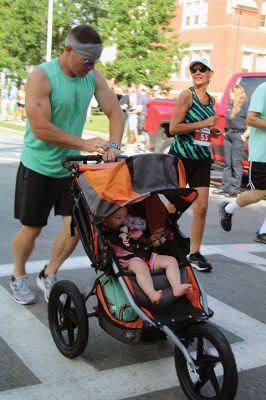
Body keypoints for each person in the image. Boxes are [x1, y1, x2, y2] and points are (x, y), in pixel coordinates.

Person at [10, 25, 124, 305]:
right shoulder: (42, 77)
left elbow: (116, 112)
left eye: (95, 62)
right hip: (38, 166)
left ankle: (48, 274)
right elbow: (41, 129)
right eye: (87, 61)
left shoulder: (92, 76)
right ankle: (18, 275)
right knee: (32, 229)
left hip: (70, 168)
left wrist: (114, 146)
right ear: (68, 50)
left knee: (76, 227)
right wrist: (86, 144)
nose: (91, 67)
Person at [169, 57, 221, 272]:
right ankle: (162, 241)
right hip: (181, 158)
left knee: (202, 207)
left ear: (210, 73)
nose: (197, 72)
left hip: (201, 158)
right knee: (174, 206)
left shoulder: (211, 99)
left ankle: (195, 252)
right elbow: (173, 128)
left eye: (202, 69)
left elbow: (201, 130)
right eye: (193, 69)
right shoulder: (186, 95)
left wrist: (211, 131)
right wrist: (204, 124)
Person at [106, 207, 192, 304]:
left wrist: (149, 240)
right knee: (141, 268)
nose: (123, 220)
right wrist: (116, 261)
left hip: (146, 255)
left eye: (125, 216)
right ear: (106, 221)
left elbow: (140, 242)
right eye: (118, 218)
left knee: (171, 260)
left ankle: (176, 287)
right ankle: (151, 293)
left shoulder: (132, 229)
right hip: (130, 260)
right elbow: (108, 253)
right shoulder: (109, 236)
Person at [219, 81, 266, 244]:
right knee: (258, 193)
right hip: (263, 155)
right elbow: (251, 119)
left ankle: (264, 232)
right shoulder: (263, 89)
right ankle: (228, 209)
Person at [213, 84, 249, 197]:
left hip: (239, 136)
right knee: (227, 163)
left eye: (231, 93)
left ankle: (234, 190)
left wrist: (244, 136)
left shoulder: (245, 106)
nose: (229, 95)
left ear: (236, 94)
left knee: (236, 163)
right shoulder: (231, 104)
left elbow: (251, 124)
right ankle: (225, 187)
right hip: (228, 135)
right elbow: (228, 121)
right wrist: (224, 132)